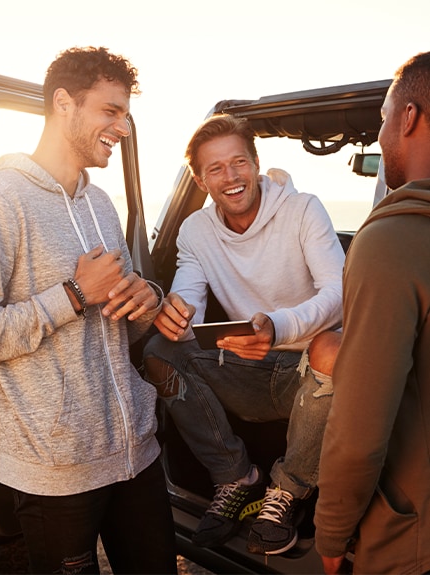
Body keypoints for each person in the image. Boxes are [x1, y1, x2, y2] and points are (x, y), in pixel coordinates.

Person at [0, 46, 177, 575]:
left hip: (135, 454)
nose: (125, 126)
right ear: (64, 104)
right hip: (57, 471)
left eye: (127, 113)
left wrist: (147, 298)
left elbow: (123, 320)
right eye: (111, 111)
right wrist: (71, 295)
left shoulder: (100, 204)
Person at [143, 113, 345, 555]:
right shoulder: (196, 229)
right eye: (215, 169)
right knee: (160, 349)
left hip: (310, 374)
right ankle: (235, 476)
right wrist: (175, 310)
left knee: (333, 349)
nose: (230, 177)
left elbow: (339, 292)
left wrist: (278, 327)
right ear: (200, 179)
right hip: (245, 367)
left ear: (255, 163)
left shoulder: (303, 208)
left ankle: (286, 491)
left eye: (239, 163)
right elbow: (189, 291)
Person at [315, 51, 430, 575]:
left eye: (383, 117)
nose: (379, 137)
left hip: (412, 538)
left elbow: (360, 428)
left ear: (408, 119)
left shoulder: (393, 240)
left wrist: (332, 532)